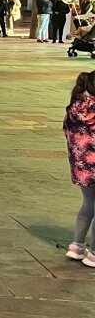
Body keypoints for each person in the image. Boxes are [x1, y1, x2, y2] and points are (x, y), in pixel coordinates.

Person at [65, 71, 95, 267]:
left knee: (88, 204)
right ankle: (93, 253)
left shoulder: (74, 108)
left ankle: (77, 246)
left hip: (82, 168)